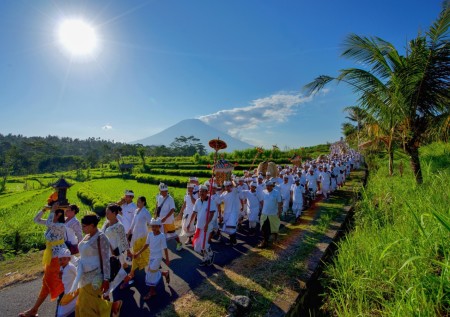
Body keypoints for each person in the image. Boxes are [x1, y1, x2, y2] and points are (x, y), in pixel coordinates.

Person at [19, 204, 67, 317]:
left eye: (54, 213)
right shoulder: (52, 223)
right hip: (51, 256)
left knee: (51, 282)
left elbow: (50, 223)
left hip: (58, 257)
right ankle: (34, 309)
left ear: (59, 214)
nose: (52, 214)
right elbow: (36, 220)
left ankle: (36, 309)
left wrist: (52, 211)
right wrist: (44, 209)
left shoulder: (60, 226)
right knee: (47, 283)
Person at [69, 214, 122, 317]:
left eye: (84, 226)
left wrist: (106, 279)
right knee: (89, 302)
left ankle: (111, 307)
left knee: (85, 304)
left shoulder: (101, 238)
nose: (82, 228)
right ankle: (112, 307)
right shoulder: (88, 235)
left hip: (94, 276)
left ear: (92, 225)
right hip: (83, 276)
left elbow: (106, 260)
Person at [132, 218, 170, 300]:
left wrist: (167, 259)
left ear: (159, 227)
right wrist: (138, 253)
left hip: (158, 257)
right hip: (151, 256)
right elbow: (146, 245)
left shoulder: (162, 236)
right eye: (152, 227)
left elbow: (165, 248)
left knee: (150, 273)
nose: (154, 228)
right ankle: (164, 273)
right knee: (152, 271)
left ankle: (152, 291)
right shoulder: (150, 235)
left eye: (156, 227)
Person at [122, 196, 152, 289]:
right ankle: (141, 266)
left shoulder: (145, 212)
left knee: (138, 252)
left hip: (142, 235)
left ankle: (132, 273)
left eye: (139, 202)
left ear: (143, 203)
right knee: (138, 252)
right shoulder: (136, 211)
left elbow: (151, 222)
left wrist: (153, 233)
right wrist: (129, 231)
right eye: (137, 202)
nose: (137, 203)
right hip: (135, 235)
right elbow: (133, 223)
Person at [101, 203, 130, 297]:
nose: (106, 215)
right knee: (117, 269)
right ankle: (126, 279)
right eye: (106, 212)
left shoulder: (119, 226)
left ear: (114, 213)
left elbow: (123, 240)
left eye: (108, 213)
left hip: (114, 251)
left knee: (113, 269)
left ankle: (107, 292)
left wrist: (128, 252)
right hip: (107, 249)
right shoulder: (107, 222)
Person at [189, 185, 217, 266]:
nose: (201, 193)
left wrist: (207, 224)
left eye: (202, 191)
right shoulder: (198, 201)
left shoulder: (210, 201)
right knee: (197, 246)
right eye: (200, 191)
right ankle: (209, 254)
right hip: (199, 226)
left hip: (206, 226)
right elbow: (194, 212)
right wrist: (190, 222)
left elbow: (211, 213)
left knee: (204, 244)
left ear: (207, 192)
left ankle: (208, 257)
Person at [156, 183, 183, 251]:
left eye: (163, 191)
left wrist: (165, 217)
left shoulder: (170, 199)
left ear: (166, 191)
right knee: (161, 233)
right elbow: (158, 207)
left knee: (172, 233)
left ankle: (179, 243)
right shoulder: (159, 197)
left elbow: (172, 209)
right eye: (161, 191)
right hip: (161, 220)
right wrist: (156, 215)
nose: (161, 193)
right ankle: (162, 245)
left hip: (168, 220)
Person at [216, 181, 241, 246]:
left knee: (232, 226)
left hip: (233, 212)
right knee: (228, 227)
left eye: (229, 186)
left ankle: (234, 241)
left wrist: (232, 180)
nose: (228, 188)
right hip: (227, 212)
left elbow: (236, 185)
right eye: (226, 186)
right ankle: (232, 240)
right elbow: (218, 200)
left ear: (231, 186)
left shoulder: (234, 191)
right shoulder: (224, 193)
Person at [258, 180, 282, 248]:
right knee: (263, 228)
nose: (268, 187)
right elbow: (262, 201)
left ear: (272, 186)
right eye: (267, 186)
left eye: (269, 186)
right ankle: (265, 242)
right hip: (265, 213)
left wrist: (279, 212)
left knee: (274, 228)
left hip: (273, 214)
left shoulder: (277, 193)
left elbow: (279, 203)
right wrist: (264, 208)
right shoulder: (263, 192)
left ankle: (275, 239)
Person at [56, 249, 77, 317]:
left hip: (73, 291)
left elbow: (78, 274)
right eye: (60, 259)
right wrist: (60, 276)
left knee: (63, 312)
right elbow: (62, 278)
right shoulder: (61, 268)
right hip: (67, 291)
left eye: (64, 259)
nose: (62, 261)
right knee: (61, 311)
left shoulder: (71, 267)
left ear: (69, 259)